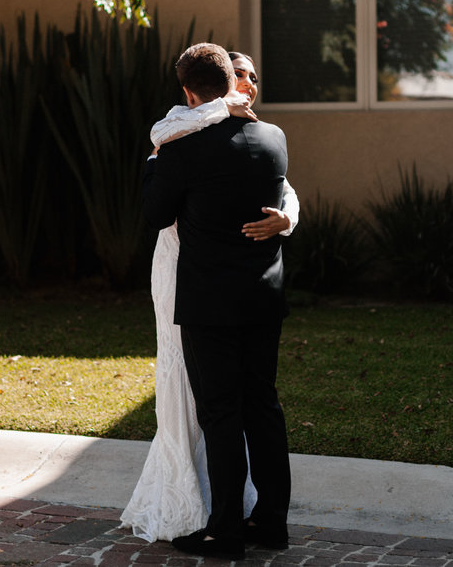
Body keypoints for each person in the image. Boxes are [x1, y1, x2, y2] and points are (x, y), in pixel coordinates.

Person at [120, 51, 298, 544]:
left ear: (189, 95)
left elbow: (156, 215)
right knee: (263, 406)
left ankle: (224, 531)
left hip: (209, 301)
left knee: (219, 412)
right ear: (231, 84)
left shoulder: (181, 150)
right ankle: (272, 522)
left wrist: (156, 162)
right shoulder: (273, 138)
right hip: (264, 296)